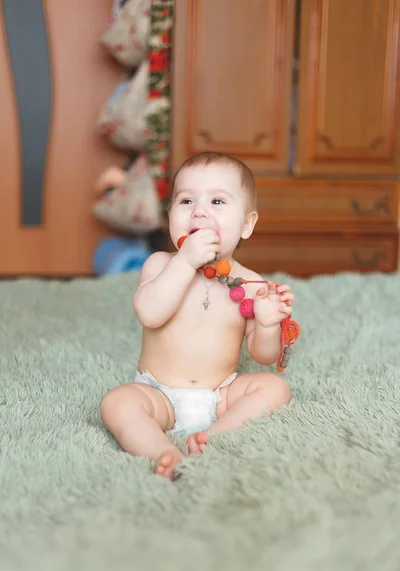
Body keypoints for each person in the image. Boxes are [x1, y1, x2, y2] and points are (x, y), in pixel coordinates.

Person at [100, 151, 295, 479]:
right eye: (187, 201)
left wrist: (266, 323)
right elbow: (150, 314)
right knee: (117, 402)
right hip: (159, 393)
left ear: (247, 225)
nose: (200, 212)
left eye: (218, 202)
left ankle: (213, 437)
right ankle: (162, 452)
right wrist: (185, 262)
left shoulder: (251, 284)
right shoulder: (161, 265)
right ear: (171, 214)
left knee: (275, 388)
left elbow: (263, 355)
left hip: (220, 394)